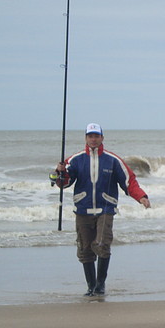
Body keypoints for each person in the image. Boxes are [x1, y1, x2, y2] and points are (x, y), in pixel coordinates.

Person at [53, 123, 151, 296]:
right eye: (90, 136)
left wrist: (141, 197)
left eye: (96, 136)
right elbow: (63, 183)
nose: (93, 139)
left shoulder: (113, 160)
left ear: (102, 138)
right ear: (86, 138)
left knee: (102, 244)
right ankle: (91, 287)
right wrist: (58, 172)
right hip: (82, 210)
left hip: (105, 209)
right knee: (85, 250)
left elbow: (129, 181)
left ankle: (100, 285)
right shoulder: (74, 160)